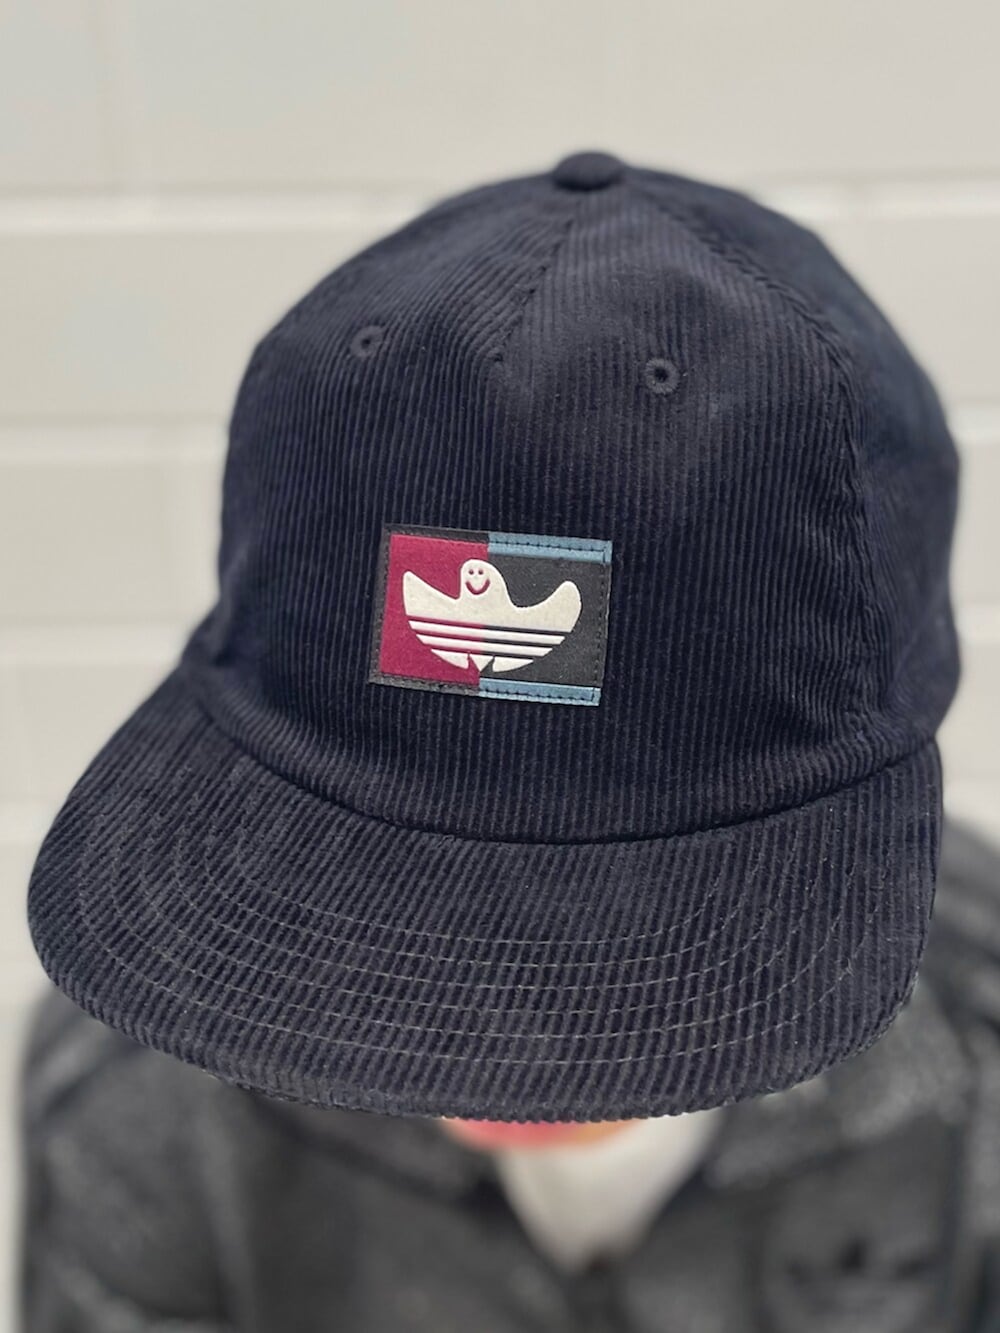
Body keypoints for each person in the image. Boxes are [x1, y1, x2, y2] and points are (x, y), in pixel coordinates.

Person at [18, 150, 998, 1330]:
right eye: (379, 898)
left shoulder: (975, 1037)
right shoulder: (142, 1109)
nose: (500, 1041)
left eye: (633, 915)